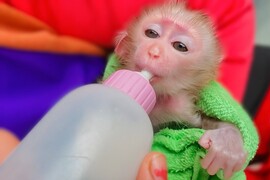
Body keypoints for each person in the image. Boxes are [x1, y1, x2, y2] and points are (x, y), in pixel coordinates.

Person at [0, 0, 255, 178]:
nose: (156, 50)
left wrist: (229, 137)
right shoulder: (97, 95)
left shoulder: (195, 101)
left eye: (180, 46)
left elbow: (225, 125)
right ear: (124, 46)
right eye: (152, 33)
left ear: (205, 71)